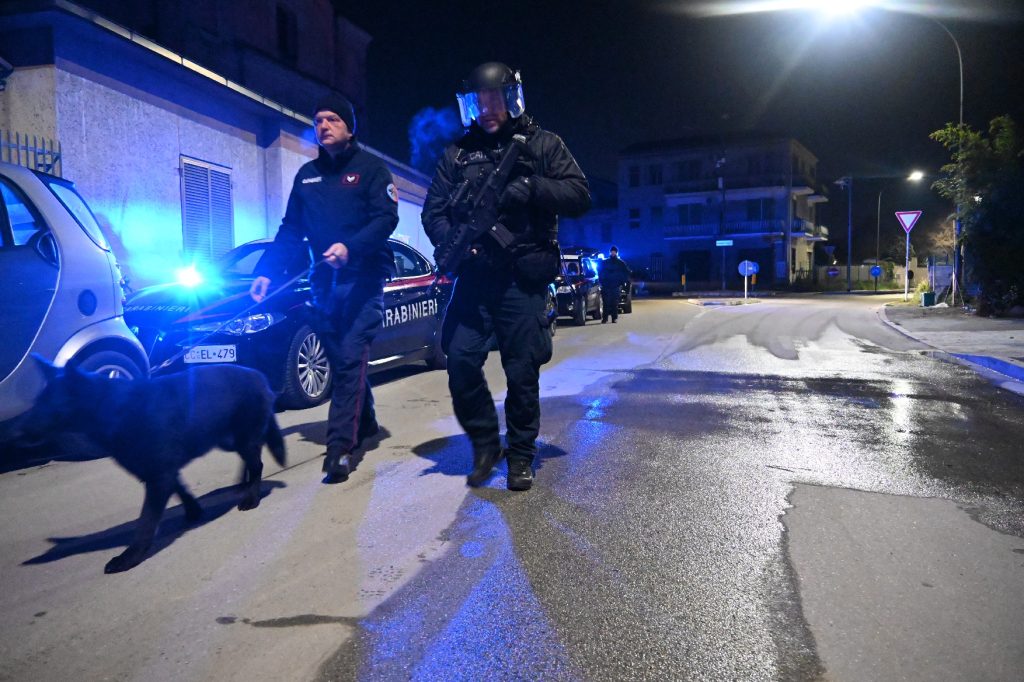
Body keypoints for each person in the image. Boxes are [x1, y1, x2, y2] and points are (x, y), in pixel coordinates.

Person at [423, 62, 590, 491]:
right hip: (475, 279)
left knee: (521, 373)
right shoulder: (457, 154)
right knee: (460, 359)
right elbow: (433, 211)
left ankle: (519, 454)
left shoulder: (543, 145)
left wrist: (533, 188)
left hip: (522, 278)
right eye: (480, 101)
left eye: (495, 99)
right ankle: (484, 444)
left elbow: (579, 195)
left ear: (511, 99)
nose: (487, 108)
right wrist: (456, 243)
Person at [250, 93, 399, 483]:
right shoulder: (307, 176)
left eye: (333, 119)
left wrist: (351, 248)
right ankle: (365, 420)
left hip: (363, 281)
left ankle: (339, 450)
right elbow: (290, 229)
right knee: (341, 359)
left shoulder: (371, 169)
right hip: (324, 285)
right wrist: (266, 271)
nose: (324, 126)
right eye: (318, 121)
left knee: (350, 358)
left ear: (350, 128)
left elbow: (386, 219)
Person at [599, 246, 631, 323]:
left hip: (616, 285)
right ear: (610, 252)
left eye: (614, 252)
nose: (613, 253)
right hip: (606, 285)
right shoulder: (605, 262)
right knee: (606, 303)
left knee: (614, 303)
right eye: (612, 252)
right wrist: (602, 282)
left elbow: (626, 273)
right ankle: (605, 318)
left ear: (616, 253)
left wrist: (623, 282)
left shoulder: (621, 263)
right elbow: (600, 272)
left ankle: (614, 318)